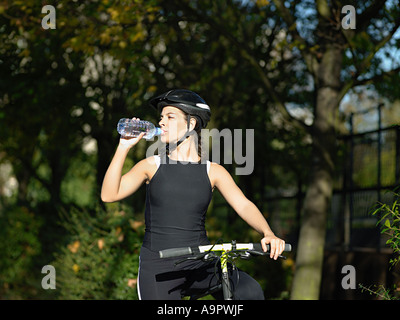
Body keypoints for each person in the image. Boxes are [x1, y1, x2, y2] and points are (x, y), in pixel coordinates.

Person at [101, 89, 286, 300]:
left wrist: (267, 232)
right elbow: (109, 194)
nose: (161, 122)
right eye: (161, 117)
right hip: (159, 267)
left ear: (191, 124)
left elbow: (243, 205)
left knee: (249, 292)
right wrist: (123, 147)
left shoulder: (213, 171)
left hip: (200, 262)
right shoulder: (151, 165)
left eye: (170, 117)